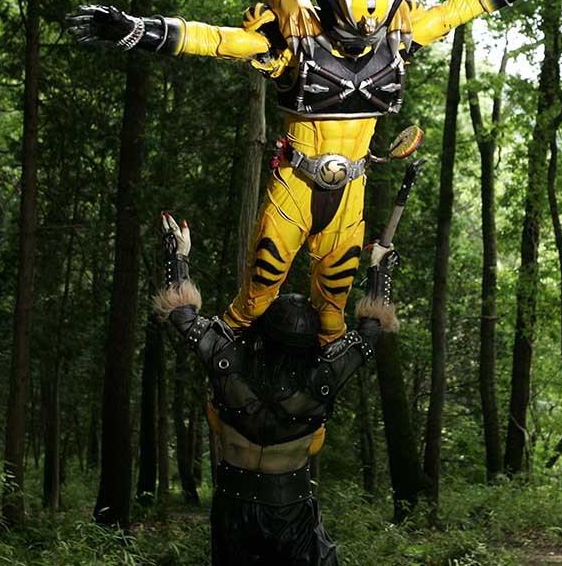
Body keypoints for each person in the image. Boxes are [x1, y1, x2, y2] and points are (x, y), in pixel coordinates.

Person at [70, 0, 562, 344]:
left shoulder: (398, 34)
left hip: (350, 192)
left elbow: (459, 8)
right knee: (255, 299)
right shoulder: (294, 40)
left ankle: (311, 417)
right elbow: (218, 40)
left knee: (333, 313)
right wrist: (134, 29)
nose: (362, 43)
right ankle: (224, 392)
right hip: (295, 184)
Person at [153, 212, 399, 565]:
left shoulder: (227, 360)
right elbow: (370, 333)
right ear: (310, 339)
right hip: (290, 509)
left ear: (265, 329)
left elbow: (182, 316)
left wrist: (177, 254)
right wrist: (379, 270)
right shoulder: (323, 376)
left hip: (234, 507)